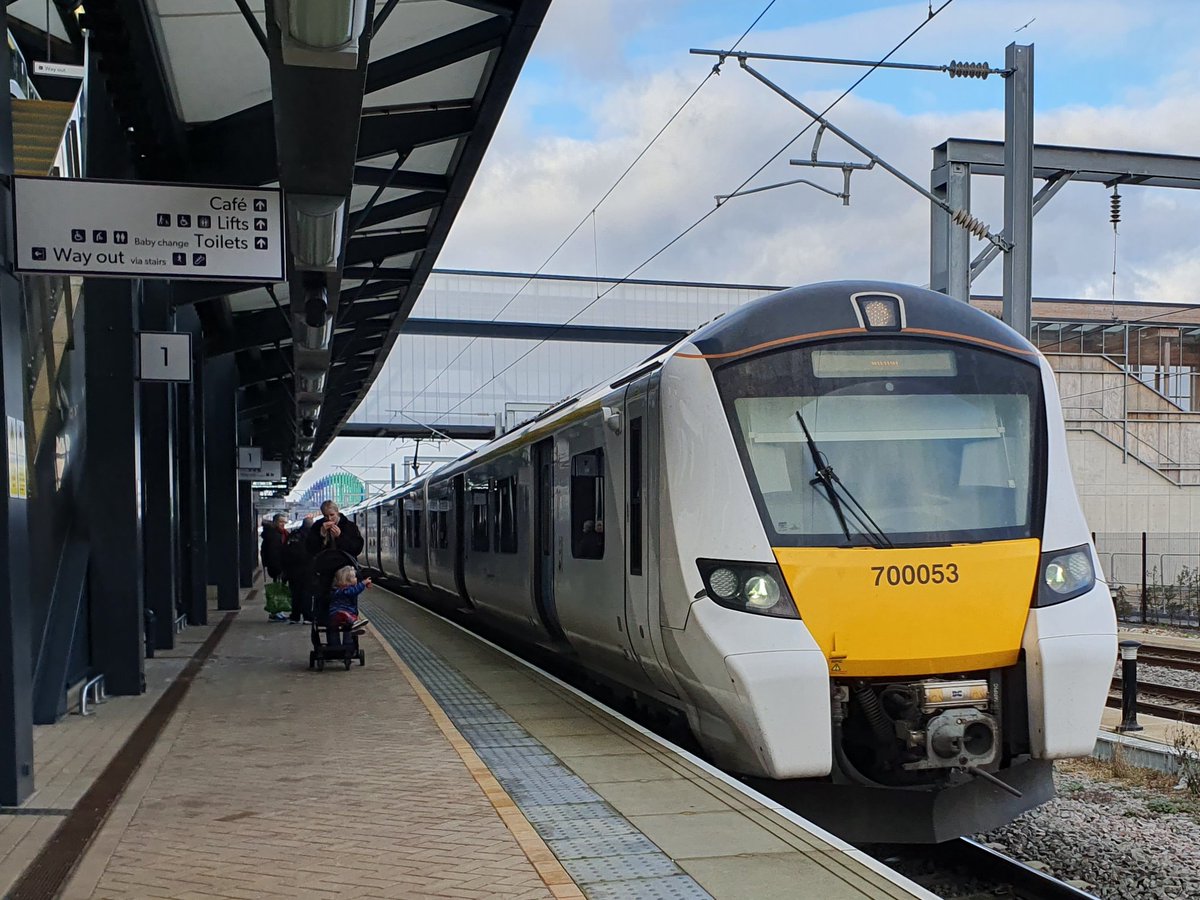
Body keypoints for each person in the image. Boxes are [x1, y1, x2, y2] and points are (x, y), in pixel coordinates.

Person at [284, 514, 315, 624]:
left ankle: (295, 616)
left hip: (293, 571)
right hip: (308, 570)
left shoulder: (293, 534)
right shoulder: (312, 536)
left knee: (295, 594)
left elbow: (285, 552)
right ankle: (307, 617)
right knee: (307, 594)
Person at [328, 565, 372, 634]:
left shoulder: (339, 589)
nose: (356, 579)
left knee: (351, 616)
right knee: (346, 615)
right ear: (347, 581)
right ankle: (355, 624)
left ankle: (355, 628)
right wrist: (363, 583)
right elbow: (355, 590)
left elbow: (355, 589)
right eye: (354, 577)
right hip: (337, 613)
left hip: (347, 612)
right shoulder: (343, 591)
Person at [261, 514, 287, 581]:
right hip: (277, 568)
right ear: (275, 522)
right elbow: (272, 554)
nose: (283, 524)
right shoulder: (272, 535)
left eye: (284, 522)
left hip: (282, 567)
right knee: (277, 587)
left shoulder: (284, 533)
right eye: (281, 522)